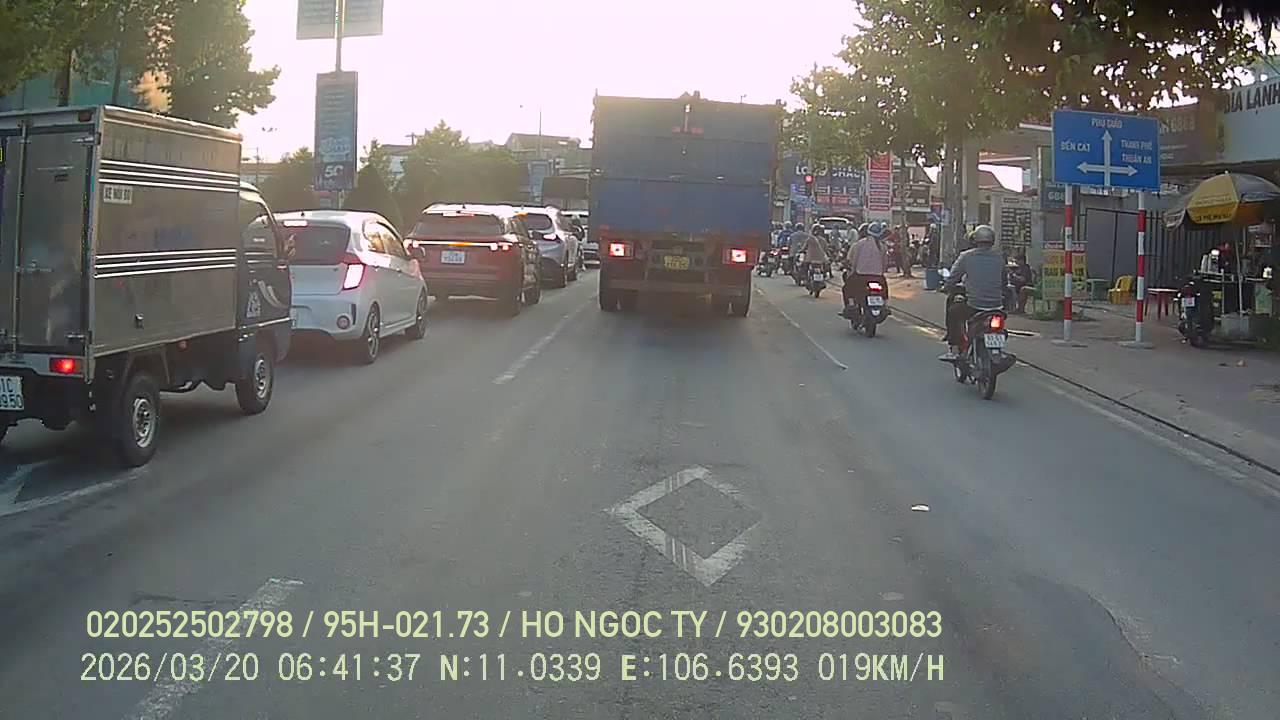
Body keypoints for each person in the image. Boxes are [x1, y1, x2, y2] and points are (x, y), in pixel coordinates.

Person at [939, 224, 1006, 361]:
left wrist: (946, 286)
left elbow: (953, 277)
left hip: (974, 305)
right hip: (996, 306)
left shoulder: (966, 256)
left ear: (974, 240)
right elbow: (1004, 280)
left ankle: (954, 348)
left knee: (953, 312)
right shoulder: (1000, 258)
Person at [841, 221, 889, 317]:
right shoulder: (882, 246)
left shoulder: (859, 244)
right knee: (885, 291)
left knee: (847, 289)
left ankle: (851, 305)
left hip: (861, 276)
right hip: (878, 277)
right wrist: (880, 273)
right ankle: (885, 305)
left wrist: (852, 271)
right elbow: (885, 264)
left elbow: (854, 261)